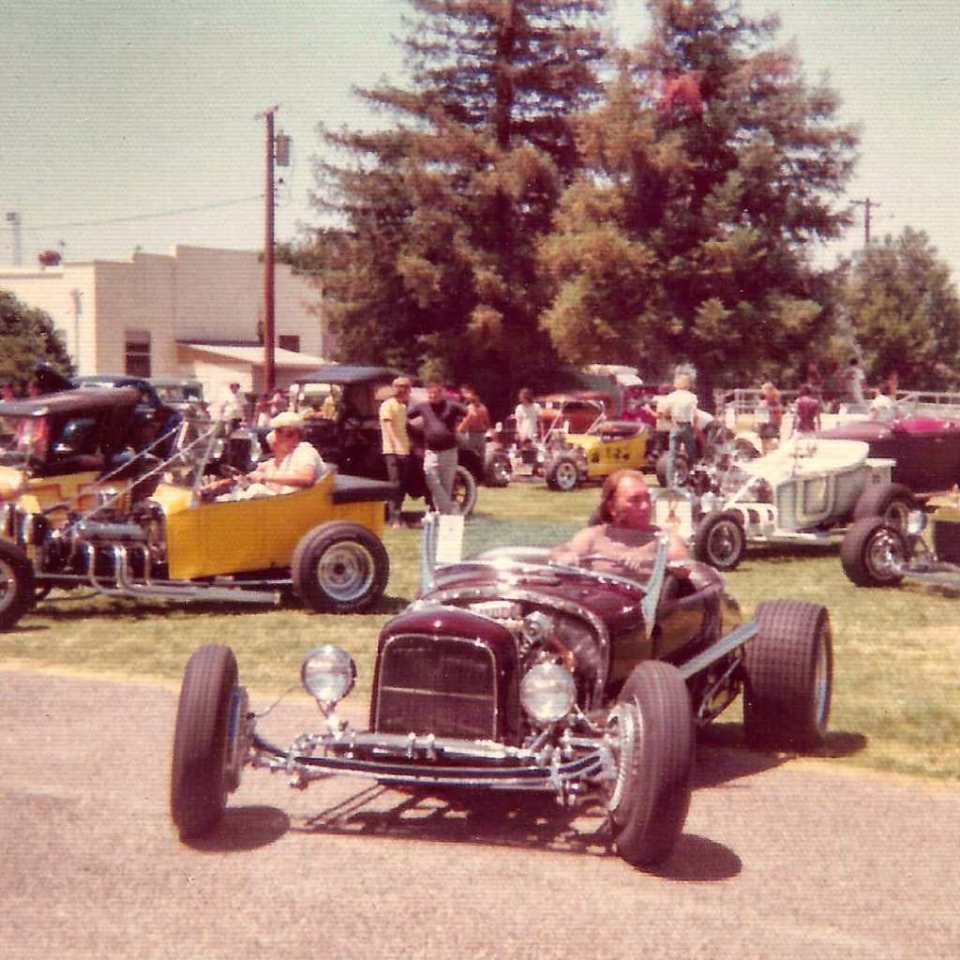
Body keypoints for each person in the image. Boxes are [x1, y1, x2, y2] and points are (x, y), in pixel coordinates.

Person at [550, 470, 690, 576]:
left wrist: (651, 559)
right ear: (611, 507)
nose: (645, 506)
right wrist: (563, 556)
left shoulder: (664, 538)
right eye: (635, 500)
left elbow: (684, 567)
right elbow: (561, 551)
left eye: (647, 499)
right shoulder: (593, 537)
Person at [202, 411, 324, 500]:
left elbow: (306, 479)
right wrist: (221, 484)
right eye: (278, 432)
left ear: (295, 434)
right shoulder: (284, 459)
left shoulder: (304, 450)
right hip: (281, 505)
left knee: (255, 491)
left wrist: (264, 478)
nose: (277, 436)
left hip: (293, 508)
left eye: (282, 432)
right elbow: (250, 478)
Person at [407, 380, 467, 514]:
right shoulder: (422, 407)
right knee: (431, 480)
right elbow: (406, 416)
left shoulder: (452, 406)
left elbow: (470, 414)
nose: (433, 396)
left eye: (435, 393)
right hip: (431, 452)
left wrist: (463, 428)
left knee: (446, 486)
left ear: (442, 393)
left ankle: (442, 516)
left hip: (449, 452)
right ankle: (450, 509)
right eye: (430, 393)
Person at [379, 376, 412, 528]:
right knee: (395, 484)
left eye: (406, 387)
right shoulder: (388, 405)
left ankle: (398, 514)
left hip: (405, 450)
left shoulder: (403, 407)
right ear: (394, 388)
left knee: (403, 485)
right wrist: (397, 445)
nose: (403, 389)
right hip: (392, 450)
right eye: (400, 386)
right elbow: (389, 427)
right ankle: (394, 519)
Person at [659, 372, 698, 487]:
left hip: (675, 426)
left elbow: (665, 413)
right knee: (691, 453)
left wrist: (671, 421)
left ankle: (670, 481)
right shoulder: (691, 397)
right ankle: (690, 475)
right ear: (688, 384)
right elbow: (695, 415)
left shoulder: (671, 397)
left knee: (672, 455)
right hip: (687, 425)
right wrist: (694, 428)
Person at [456, 384, 491, 459]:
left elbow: (487, 422)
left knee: (481, 457)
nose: (464, 395)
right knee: (473, 457)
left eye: (465, 392)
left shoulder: (482, 408)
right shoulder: (468, 408)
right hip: (471, 435)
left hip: (480, 435)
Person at [755, 381, 783, 453]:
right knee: (768, 448)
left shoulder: (773, 404)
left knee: (770, 448)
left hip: (771, 427)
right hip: (768, 427)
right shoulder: (766, 403)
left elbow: (778, 418)